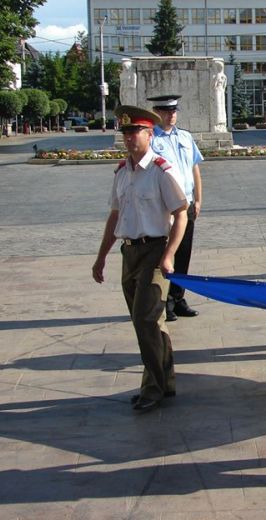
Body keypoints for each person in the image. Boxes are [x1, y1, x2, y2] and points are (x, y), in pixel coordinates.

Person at [92, 105, 188, 413]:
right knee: (151, 321)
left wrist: (170, 255)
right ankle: (166, 380)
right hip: (129, 251)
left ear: (150, 134)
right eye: (126, 133)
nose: (130, 138)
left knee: (145, 320)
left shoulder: (162, 170)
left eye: (135, 132)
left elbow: (180, 213)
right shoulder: (122, 172)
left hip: (154, 250)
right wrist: (101, 257)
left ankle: (152, 388)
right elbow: (115, 215)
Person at [147, 94, 204, 321]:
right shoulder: (151, 139)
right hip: (165, 206)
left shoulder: (186, 137)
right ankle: (164, 302)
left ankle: (179, 299)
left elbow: (195, 169)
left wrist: (198, 200)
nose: (171, 115)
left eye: (174, 111)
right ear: (157, 113)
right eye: (166, 111)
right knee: (166, 253)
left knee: (184, 254)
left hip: (186, 204)